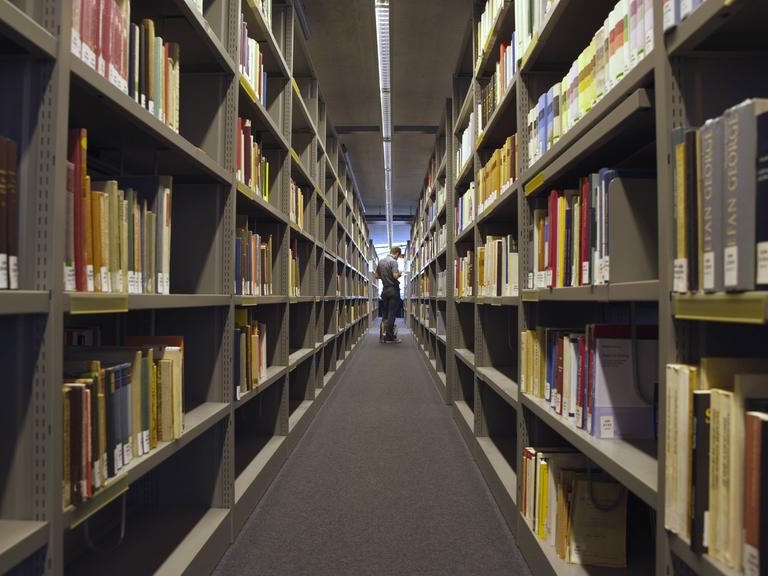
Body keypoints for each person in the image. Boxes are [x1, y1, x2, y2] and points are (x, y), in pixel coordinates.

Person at [375, 246, 403, 343]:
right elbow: (395, 275)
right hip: (393, 290)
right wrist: (399, 274)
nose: (398, 258)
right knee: (392, 314)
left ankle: (382, 336)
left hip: (384, 291)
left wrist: (385, 277)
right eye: (398, 256)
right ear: (397, 253)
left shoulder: (381, 261)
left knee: (385, 314)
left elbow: (376, 275)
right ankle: (389, 337)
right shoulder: (393, 262)